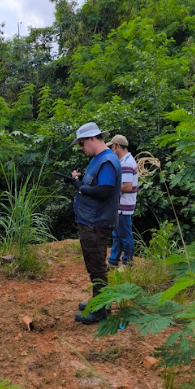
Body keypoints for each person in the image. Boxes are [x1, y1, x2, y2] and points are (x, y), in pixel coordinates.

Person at [71, 122, 121, 325]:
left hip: (96, 222)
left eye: (82, 144)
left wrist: (79, 187)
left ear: (92, 139)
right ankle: (101, 301)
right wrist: (82, 180)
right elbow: (97, 183)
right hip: (92, 220)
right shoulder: (99, 159)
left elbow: (105, 190)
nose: (82, 149)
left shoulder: (107, 160)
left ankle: (100, 311)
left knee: (97, 266)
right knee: (96, 264)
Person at [106, 135, 138, 267]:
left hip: (124, 206)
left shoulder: (126, 163)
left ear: (118, 146)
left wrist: (111, 189)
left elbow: (127, 186)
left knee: (125, 236)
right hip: (122, 205)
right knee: (118, 234)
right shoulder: (127, 160)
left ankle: (127, 263)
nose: (112, 150)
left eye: (112, 147)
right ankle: (113, 260)